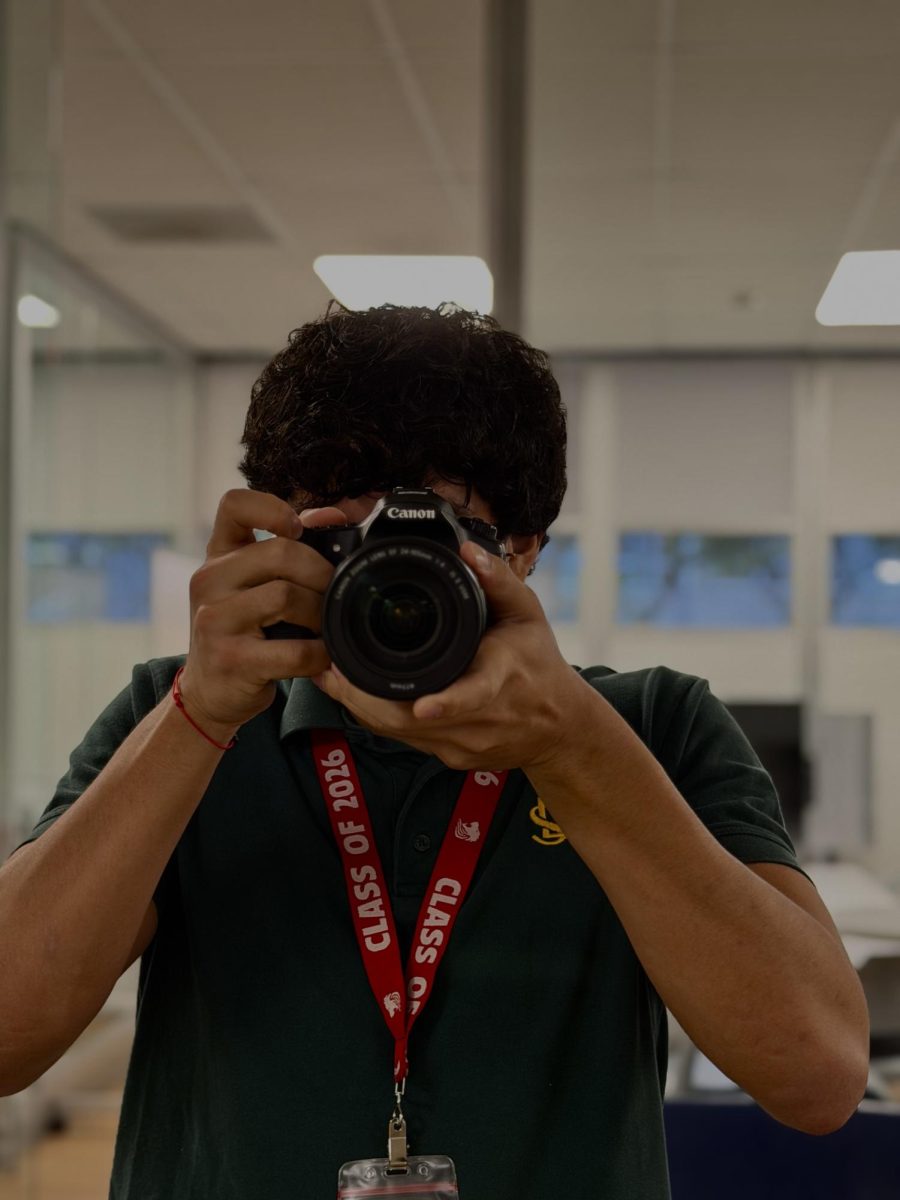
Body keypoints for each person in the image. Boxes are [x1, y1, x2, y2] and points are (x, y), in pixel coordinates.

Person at [0, 304, 868, 1199]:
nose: (389, 579)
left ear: (524, 550)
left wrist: (573, 747)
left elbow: (818, 1077)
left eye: (432, 539)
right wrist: (197, 717)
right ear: (281, 536)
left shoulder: (653, 726)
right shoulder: (178, 714)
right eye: (349, 539)